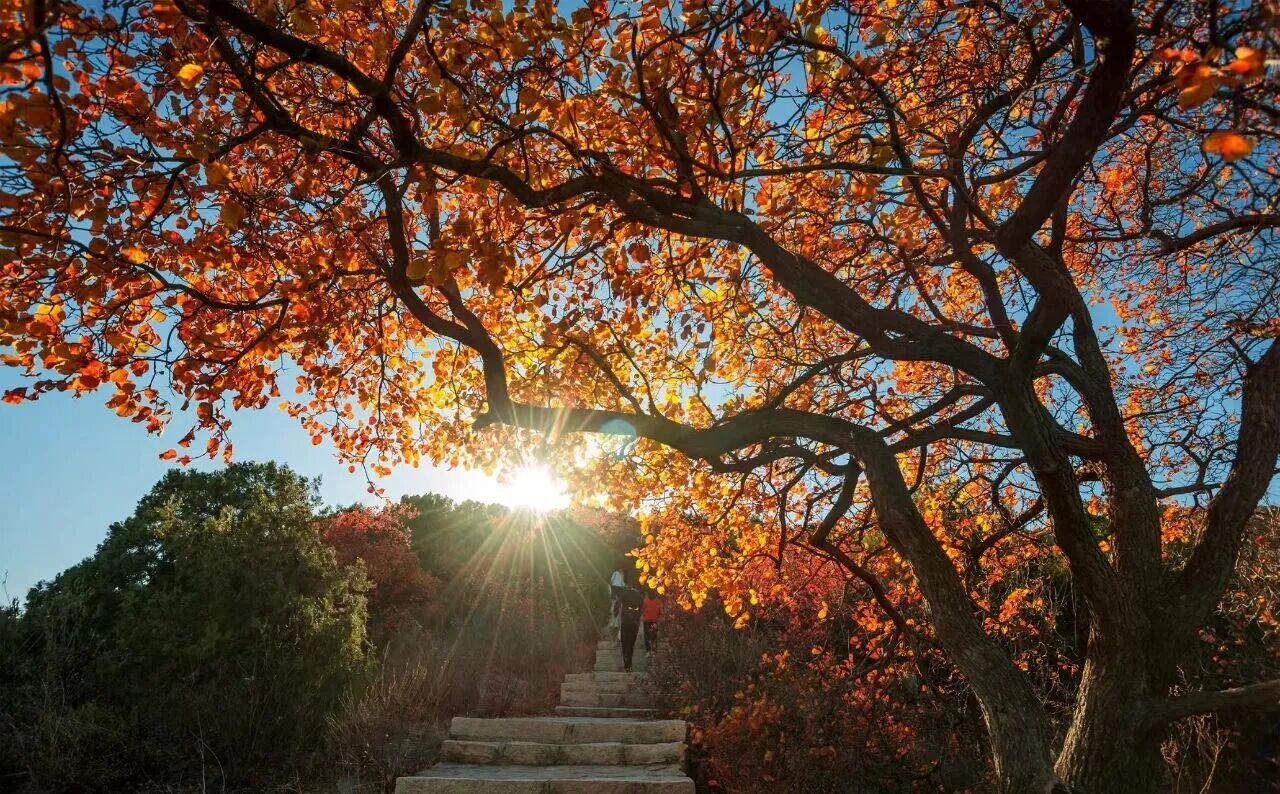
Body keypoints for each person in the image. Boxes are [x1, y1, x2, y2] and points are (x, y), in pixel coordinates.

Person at [617, 572, 645, 672]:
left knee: (625, 643)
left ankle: (627, 664)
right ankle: (629, 664)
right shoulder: (638, 595)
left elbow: (617, 604)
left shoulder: (624, 593)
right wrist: (638, 615)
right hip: (635, 623)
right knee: (631, 644)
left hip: (625, 622)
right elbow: (642, 605)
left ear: (627, 584)